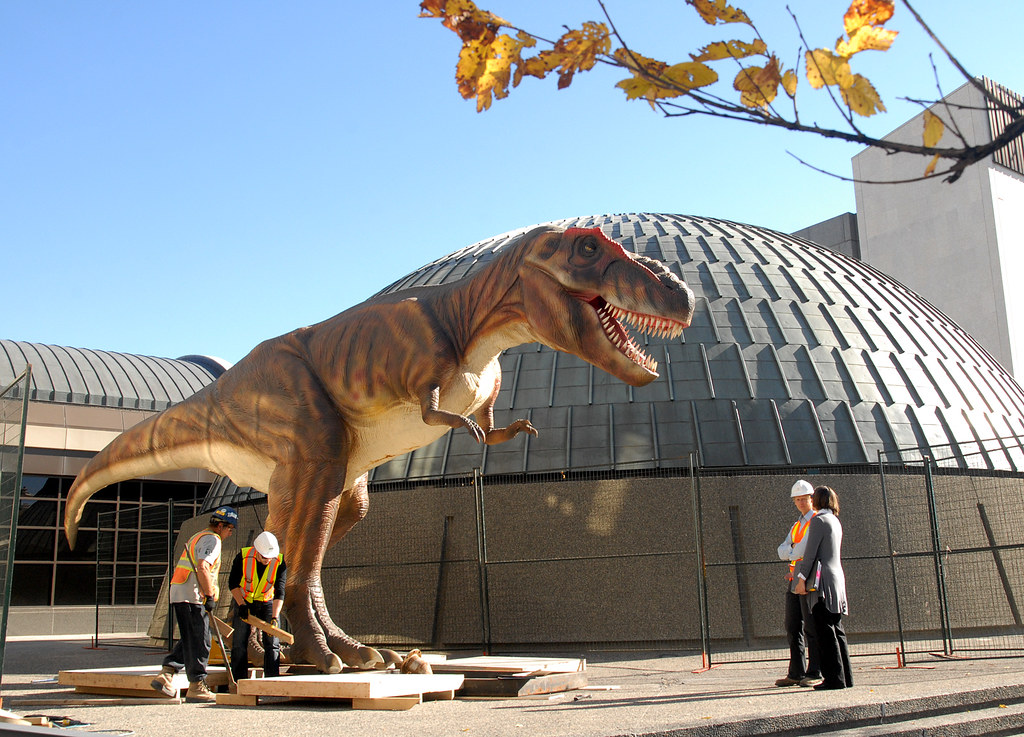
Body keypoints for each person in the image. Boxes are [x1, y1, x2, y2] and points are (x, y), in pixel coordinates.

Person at [151, 506, 237, 702]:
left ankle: (167, 674)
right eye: (230, 528)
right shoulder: (212, 539)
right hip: (193, 594)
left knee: (191, 637)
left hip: (182, 591)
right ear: (221, 526)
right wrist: (209, 596)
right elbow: (203, 566)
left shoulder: (198, 535)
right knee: (201, 641)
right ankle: (197, 685)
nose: (230, 533)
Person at [794, 485, 852, 690]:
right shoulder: (835, 520)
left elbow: (810, 554)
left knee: (824, 630)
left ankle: (834, 678)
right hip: (837, 577)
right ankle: (845, 676)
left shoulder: (818, 520)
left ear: (816, 500)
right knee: (837, 628)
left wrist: (801, 578)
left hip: (822, 581)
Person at [774, 480, 822, 688]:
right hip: (795, 579)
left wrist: (791, 550)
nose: (801, 503)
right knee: (792, 626)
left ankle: (815, 671)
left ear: (812, 499)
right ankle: (796, 672)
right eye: (798, 500)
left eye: (804, 499)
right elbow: (782, 550)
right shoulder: (797, 525)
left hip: (809, 579)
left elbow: (798, 550)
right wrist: (792, 550)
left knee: (811, 626)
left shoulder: (816, 521)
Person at [228, 530, 287, 683]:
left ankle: (272, 681)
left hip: (267, 603)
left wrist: (274, 617)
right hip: (245, 601)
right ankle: (239, 681)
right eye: (264, 557)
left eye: (270, 557)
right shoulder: (243, 557)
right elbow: (233, 583)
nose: (267, 560)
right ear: (256, 551)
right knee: (239, 642)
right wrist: (241, 605)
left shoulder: (279, 562)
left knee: (272, 643)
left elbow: (280, 591)